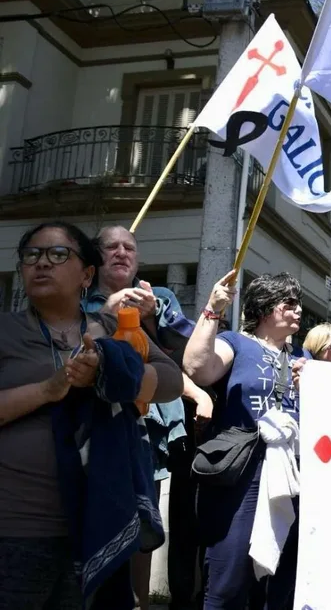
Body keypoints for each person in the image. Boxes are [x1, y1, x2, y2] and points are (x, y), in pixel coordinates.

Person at [0, 221, 183, 608]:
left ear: (86, 274)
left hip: (97, 522)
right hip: (16, 528)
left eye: (57, 254)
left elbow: (171, 380)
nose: (42, 263)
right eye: (31, 255)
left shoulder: (112, 329)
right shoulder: (6, 331)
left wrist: (114, 373)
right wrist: (47, 390)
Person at [85, 224, 211, 610]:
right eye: (111, 247)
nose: (122, 253)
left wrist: (154, 317)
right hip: (96, 425)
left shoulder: (159, 298)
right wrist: (108, 313)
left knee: (144, 517)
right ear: (95, 258)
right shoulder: (81, 302)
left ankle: (136, 603)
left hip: (151, 428)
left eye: (129, 248)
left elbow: (188, 353)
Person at [183, 271, 304, 610]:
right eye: (289, 303)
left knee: (279, 587)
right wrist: (212, 309)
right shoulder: (236, 343)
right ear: (265, 309)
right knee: (228, 580)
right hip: (242, 476)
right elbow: (198, 369)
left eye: (299, 305)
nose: (298, 311)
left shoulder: (302, 361)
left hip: (290, 476)